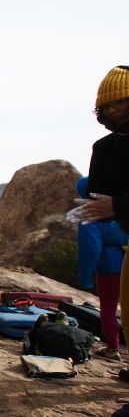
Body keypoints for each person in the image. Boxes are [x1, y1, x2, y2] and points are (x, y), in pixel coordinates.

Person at [81, 66, 129, 358]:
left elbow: (114, 203)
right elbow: (99, 193)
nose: (114, 110)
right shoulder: (105, 148)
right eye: (107, 105)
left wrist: (118, 205)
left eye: (121, 101)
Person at [76, 176, 128, 361]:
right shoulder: (119, 207)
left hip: (109, 266)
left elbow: (90, 247)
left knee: (108, 309)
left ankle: (113, 348)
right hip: (125, 258)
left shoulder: (91, 213)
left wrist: (85, 278)